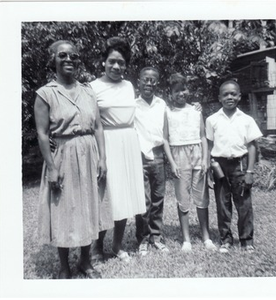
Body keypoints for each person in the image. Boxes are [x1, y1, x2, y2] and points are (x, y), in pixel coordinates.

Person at [34, 40, 112, 279]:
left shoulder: (88, 90)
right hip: (64, 154)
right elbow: (42, 133)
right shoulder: (46, 93)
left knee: (89, 205)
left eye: (74, 56)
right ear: (53, 60)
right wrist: (52, 167)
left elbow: (98, 126)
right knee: (65, 209)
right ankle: (64, 265)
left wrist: (102, 159)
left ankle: (85, 261)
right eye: (63, 55)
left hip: (89, 154)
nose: (69, 59)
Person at [89, 37, 146, 263]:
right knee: (106, 197)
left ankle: (117, 244)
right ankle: (97, 247)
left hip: (128, 142)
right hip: (106, 143)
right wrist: (100, 156)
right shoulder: (93, 87)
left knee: (126, 196)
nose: (116, 67)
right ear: (103, 61)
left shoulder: (129, 86)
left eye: (121, 63)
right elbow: (95, 123)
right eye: (112, 61)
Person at [205, 80, 262, 253]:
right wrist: (209, 167)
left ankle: (246, 240)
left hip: (240, 165)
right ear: (219, 98)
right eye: (225, 94)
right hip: (219, 165)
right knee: (222, 204)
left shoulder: (246, 120)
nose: (229, 97)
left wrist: (250, 171)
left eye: (233, 93)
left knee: (244, 204)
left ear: (239, 96)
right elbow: (208, 145)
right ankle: (226, 240)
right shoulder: (212, 120)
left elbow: (252, 146)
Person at [165, 73, 217, 252]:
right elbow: (165, 139)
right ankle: (186, 240)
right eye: (177, 91)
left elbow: (203, 136)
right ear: (171, 94)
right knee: (183, 198)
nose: (181, 93)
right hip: (179, 155)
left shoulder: (196, 110)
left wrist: (205, 159)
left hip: (197, 154)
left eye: (184, 89)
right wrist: (171, 162)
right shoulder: (168, 112)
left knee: (202, 197)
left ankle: (206, 237)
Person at [134, 67, 176, 255]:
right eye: (145, 79)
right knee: (143, 200)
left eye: (153, 80)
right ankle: (142, 238)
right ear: (139, 82)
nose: (149, 83)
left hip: (158, 156)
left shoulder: (162, 105)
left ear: (157, 83)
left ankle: (156, 236)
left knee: (158, 198)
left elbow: (174, 121)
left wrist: (196, 107)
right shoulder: (132, 105)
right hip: (139, 156)